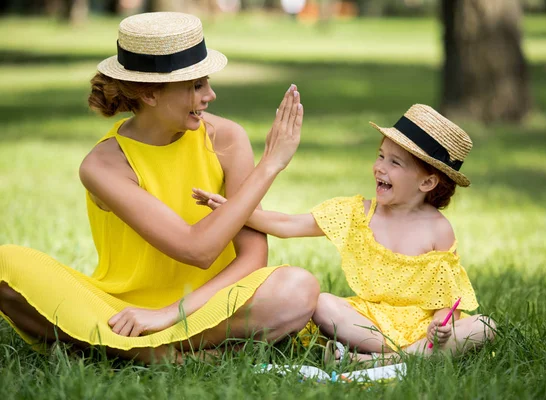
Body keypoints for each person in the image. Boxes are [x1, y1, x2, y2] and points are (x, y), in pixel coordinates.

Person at [0, 11, 320, 364]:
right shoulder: (104, 165)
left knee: (296, 288)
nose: (210, 95)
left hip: (212, 303)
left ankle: (135, 349)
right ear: (149, 93)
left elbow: (253, 256)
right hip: (122, 309)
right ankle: (170, 353)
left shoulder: (227, 138)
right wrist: (270, 165)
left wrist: (170, 314)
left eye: (206, 81)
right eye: (195, 86)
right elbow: (196, 249)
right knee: (5, 264)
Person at [192, 104, 497, 365]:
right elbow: (287, 224)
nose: (380, 168)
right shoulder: (356, 213)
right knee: (323, 303)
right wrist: (234, 209)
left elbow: (445, 297)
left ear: (427, 183)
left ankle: (382, 360)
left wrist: (439, 325)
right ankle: (413, 357)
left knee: (485, 324)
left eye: (395, 163)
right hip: (370, 321)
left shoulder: (438, 230)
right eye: (380, 156)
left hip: (422, 326)